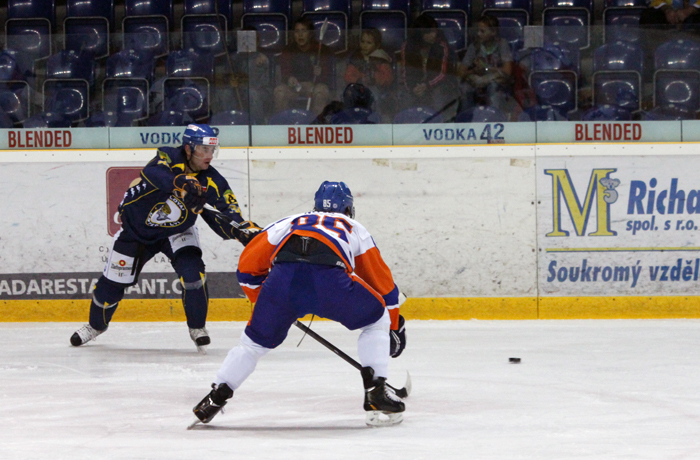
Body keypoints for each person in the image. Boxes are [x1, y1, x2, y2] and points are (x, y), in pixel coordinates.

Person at [191, 181, 408, 427]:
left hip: (282, 283)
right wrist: (393, 327)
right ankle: (376, 392)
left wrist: (269, 302)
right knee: (377, 319)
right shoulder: (353, 226)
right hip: (331, 283)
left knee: (251, 345)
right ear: (348, 209)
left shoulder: (290, 221)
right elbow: (384, 288)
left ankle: (215, 398)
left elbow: (246, 269)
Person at [70, 124, 261, 353]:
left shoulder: (213, 181)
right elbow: (153, 174)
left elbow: (228, 215)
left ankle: (197, 327)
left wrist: (242, 231)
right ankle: (95, 326)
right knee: (110, 286)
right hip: (136, 231)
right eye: (204, 149)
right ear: (188, 149)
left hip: (177, 231)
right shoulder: (168, 156)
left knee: (193, 275)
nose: (209, 155)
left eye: (213, 150)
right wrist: (182, 183)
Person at [399, 14, 456, 115]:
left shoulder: (441, 45)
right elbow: (405, 72)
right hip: (415, 84)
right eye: (428, 32)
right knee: (405, 96)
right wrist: (413, 88)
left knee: (438, 95)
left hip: (437, 84)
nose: (433, 35)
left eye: (434, 31)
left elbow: (442, 73)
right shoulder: (407, 46)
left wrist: (427, 85)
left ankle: (440, 122)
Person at [274, 18, 333, 115]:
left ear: (310, 33)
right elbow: (284, 73)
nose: (300, 35)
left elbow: (328, 77)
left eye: (304, 31)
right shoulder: (288, 50)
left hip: (314, 86)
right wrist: (289, 79)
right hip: (294, 88)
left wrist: (320, 73)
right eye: (297, 31)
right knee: (279, 91)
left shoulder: (322, 50)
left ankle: (317, 122)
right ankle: (284, 122)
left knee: (321, 92)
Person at [457, 15, 514, 114]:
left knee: (493, 87)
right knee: (465, 88)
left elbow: (507, 71)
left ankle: (493, 116)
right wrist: (474, 71)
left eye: (482, 31)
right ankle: (466, 118)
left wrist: (487, 70)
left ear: (493, 32)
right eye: (478, 30)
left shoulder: (502, 44)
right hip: (478, 81)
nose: (478, 34)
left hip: (496, 81)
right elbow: (461, 72)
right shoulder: (474, 46)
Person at [344, 28, 394, 119]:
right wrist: (359, 80)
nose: (364, 45)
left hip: (377, 89)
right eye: (362, 42)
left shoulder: (381, 59)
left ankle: (375, 118)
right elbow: (348, 76)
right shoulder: (356, 57)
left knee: (374, 94)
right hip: (357, 89)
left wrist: (374, 79)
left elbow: (388, 78)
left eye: (369, 43)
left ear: (377, 45)